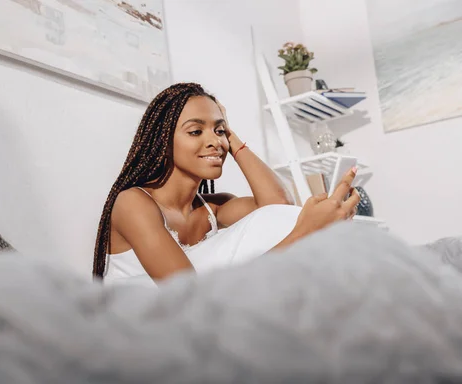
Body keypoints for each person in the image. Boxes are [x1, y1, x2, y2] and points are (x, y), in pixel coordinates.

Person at [93, 82, 360, 286]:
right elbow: (189, 296)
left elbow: (277, 207)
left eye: (219, 131)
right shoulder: (132, 203)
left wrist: (230, 136)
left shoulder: (213, 208)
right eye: (196, 131)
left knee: (285, 220)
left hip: (192, 322)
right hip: (136, 330)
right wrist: (304, 233)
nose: (215, 141)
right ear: (162, 141)